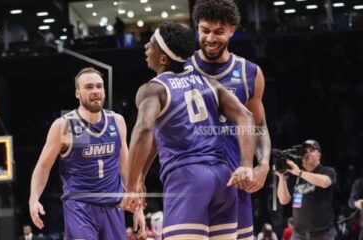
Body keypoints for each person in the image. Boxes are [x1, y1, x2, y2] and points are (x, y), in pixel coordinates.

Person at [122, 22, 256, 239]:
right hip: (223, 178)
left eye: (152, 43)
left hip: (187, 179)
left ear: (163, 59)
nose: (146, 46)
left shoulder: (153, 89)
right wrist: (246, 165)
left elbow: (145, 129)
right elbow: (246, 116)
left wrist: (129, 186)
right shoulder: (210, 83)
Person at [28, 67, 145, 240]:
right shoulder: (66, 125)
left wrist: (139, 208)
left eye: (99, 86)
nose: (96, 91)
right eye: (89, 87)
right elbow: (43, 167)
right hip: (80, 207)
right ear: (77, 93)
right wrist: (33, 198)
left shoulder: (117, 121)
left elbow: (125, 168)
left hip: (113, 207)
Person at [189, 1, 272, 239]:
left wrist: (264, 165)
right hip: (193, 179)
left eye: (219, 31)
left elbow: (259, 126)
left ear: (232, 30)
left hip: (235, 179)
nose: (210, 38)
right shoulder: (181, 68)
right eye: (204, 30)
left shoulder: (249, 73)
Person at [276, 140, 337, 240]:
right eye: (305, 151)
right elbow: (284, 200)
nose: (308, 153)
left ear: (319, 155)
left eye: (312, 150)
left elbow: (325, 182)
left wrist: (299, 172)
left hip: (322, 233)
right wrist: (281, 177)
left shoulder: (327, 171)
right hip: (298, 233)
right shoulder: (295, 175)